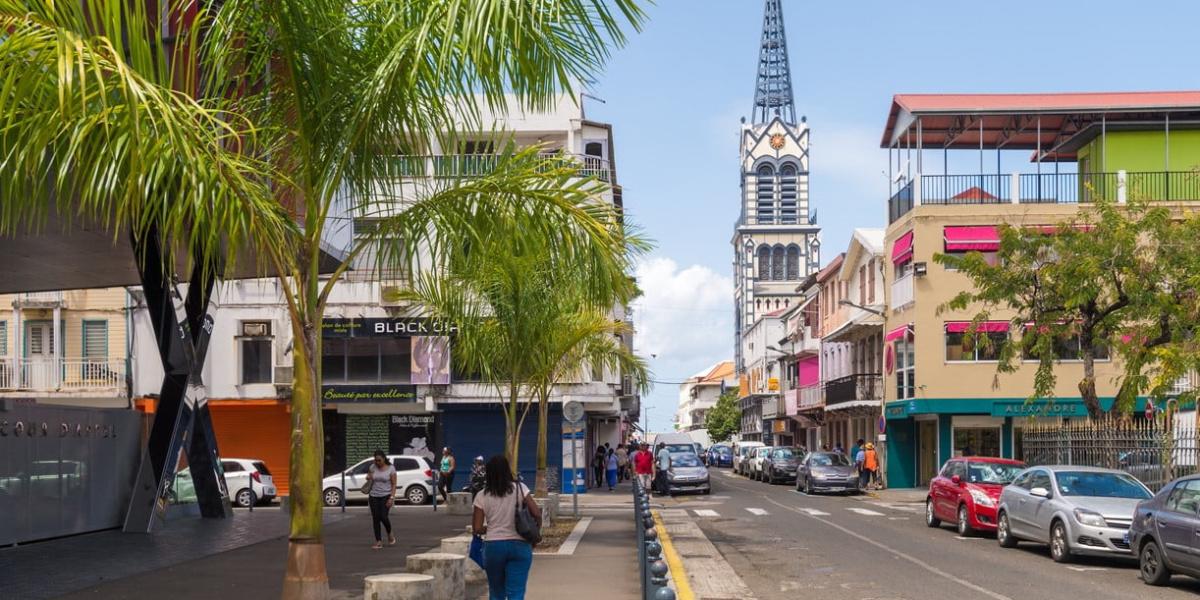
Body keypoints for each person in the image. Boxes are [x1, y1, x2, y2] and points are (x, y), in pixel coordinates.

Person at [472, 455, 542, 600]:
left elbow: (477, 528)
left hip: (493, 546)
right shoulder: (520, 489)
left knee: (496, 592)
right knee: (516, 593)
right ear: (507, 470)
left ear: (488, 473)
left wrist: (490, 528)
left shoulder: (481, 496)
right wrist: (534, 536)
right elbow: (537, 514)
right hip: (520, 544)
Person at [366, 450, 397, 549]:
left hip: (386, 495)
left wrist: (391, 497)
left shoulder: (391, 469)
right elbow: (369, 477)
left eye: (380, 460)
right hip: (374, 495)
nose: (378, 463)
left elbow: (394, 484)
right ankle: (378, 541)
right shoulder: (372, 467)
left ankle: (389, 532)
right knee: (376, 518)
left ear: (384, 458)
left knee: (383, 516)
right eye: (376, 461)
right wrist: (368, 477)